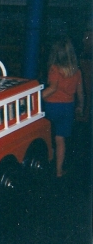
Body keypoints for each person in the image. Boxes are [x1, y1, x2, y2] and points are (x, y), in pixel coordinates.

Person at [42, 36, 84, 178]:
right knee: (60, 140)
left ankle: (47, 162)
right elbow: (80, 92)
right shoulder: (76, 72)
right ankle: (59, 170)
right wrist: (80, 106)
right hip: (68, 108)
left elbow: (52, 88)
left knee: (47, 135)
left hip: (52, 106)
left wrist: (36, 96)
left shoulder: (54, 69)